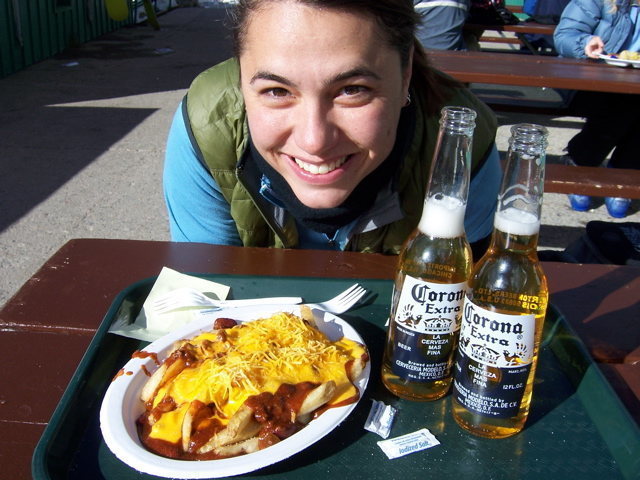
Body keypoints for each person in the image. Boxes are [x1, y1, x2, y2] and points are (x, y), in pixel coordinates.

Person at [164, 0, 502, 258]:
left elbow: (461, 306)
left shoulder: (462, 139)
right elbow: (204, 301)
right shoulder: (208, 125)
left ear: (406, 74)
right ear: (240, 78)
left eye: (352, 90)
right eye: (277, 91)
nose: (315, 141)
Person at [553, 0, 640, 218]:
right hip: (588, 82)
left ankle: (620, 173)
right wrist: (585, 42)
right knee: (625, 103)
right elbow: (564, 35)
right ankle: (584, 161)